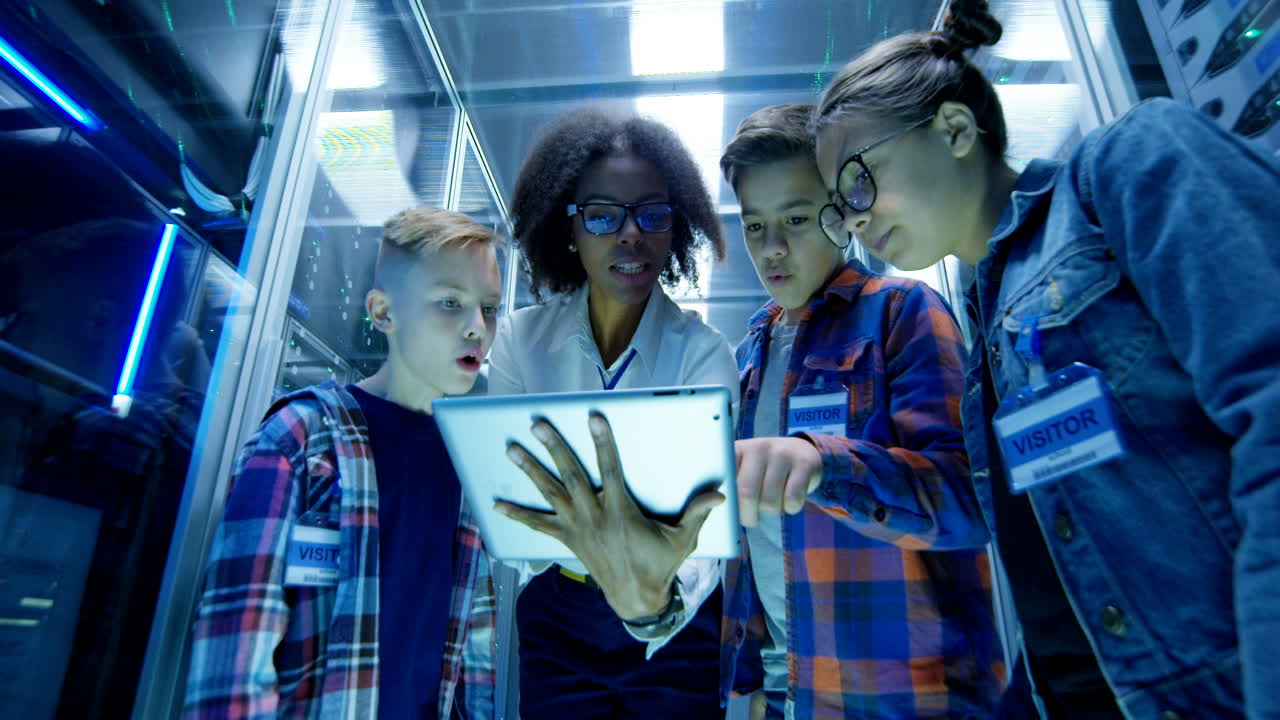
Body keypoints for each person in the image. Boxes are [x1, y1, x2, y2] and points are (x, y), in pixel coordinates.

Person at [811, 1, 1280, 717]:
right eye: (840, 208)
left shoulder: (1129, 164)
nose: (854, 219)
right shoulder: (986, 333)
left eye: (857, 182)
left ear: (955, 129)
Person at [716, 103, 1003, 719]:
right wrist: (747, 679)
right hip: (788, 692)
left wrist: (827, 464)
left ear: (839, 212)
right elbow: (750, 538)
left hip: (908, 698)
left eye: (795, 218)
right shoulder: (747, 357)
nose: (772, 248)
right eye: (755, 225)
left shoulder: (901, 311)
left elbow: (971, 497)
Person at [183, 207, 502, 719]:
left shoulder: (467, 463)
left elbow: (473, 650)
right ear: (383, 312)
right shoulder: (303, 436)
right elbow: (234, 650)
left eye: (489, 308)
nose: (477, 328)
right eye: (450, 302)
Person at [485, 107, 739, 719]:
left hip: (676, 620)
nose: (631, 235)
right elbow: (508, 514)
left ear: (675, 229)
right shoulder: (520, 341)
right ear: (570, 230)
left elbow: (709, 531)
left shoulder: (704, 354)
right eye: (602, 216)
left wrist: (654, 603)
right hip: (560, 617)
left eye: (652, 214)